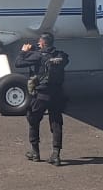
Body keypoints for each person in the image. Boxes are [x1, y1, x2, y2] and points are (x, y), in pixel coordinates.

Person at [16, 32, 70, 166]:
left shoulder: (37, 56)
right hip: (57, 94)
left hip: (41, 95)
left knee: (33, 120)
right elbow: (59, 60)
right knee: (56, 123)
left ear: (43, 43)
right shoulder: (61, 56)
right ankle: (56, 154)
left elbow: (18, 63)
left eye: (39, 42)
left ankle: (35, 152)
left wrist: (24, 51)